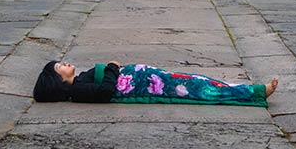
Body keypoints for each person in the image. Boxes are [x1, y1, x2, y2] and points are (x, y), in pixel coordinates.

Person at [33, 60, 278, 107]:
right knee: (200, 89)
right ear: (59, 80)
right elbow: (106, 91)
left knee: (200, 81)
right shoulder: (78, 90)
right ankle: (254, 93)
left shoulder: (80, 81)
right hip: (151, 85)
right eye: (59, 67)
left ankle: (247, 89)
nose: (64, 63)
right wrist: (111, 68)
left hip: (152, 79)